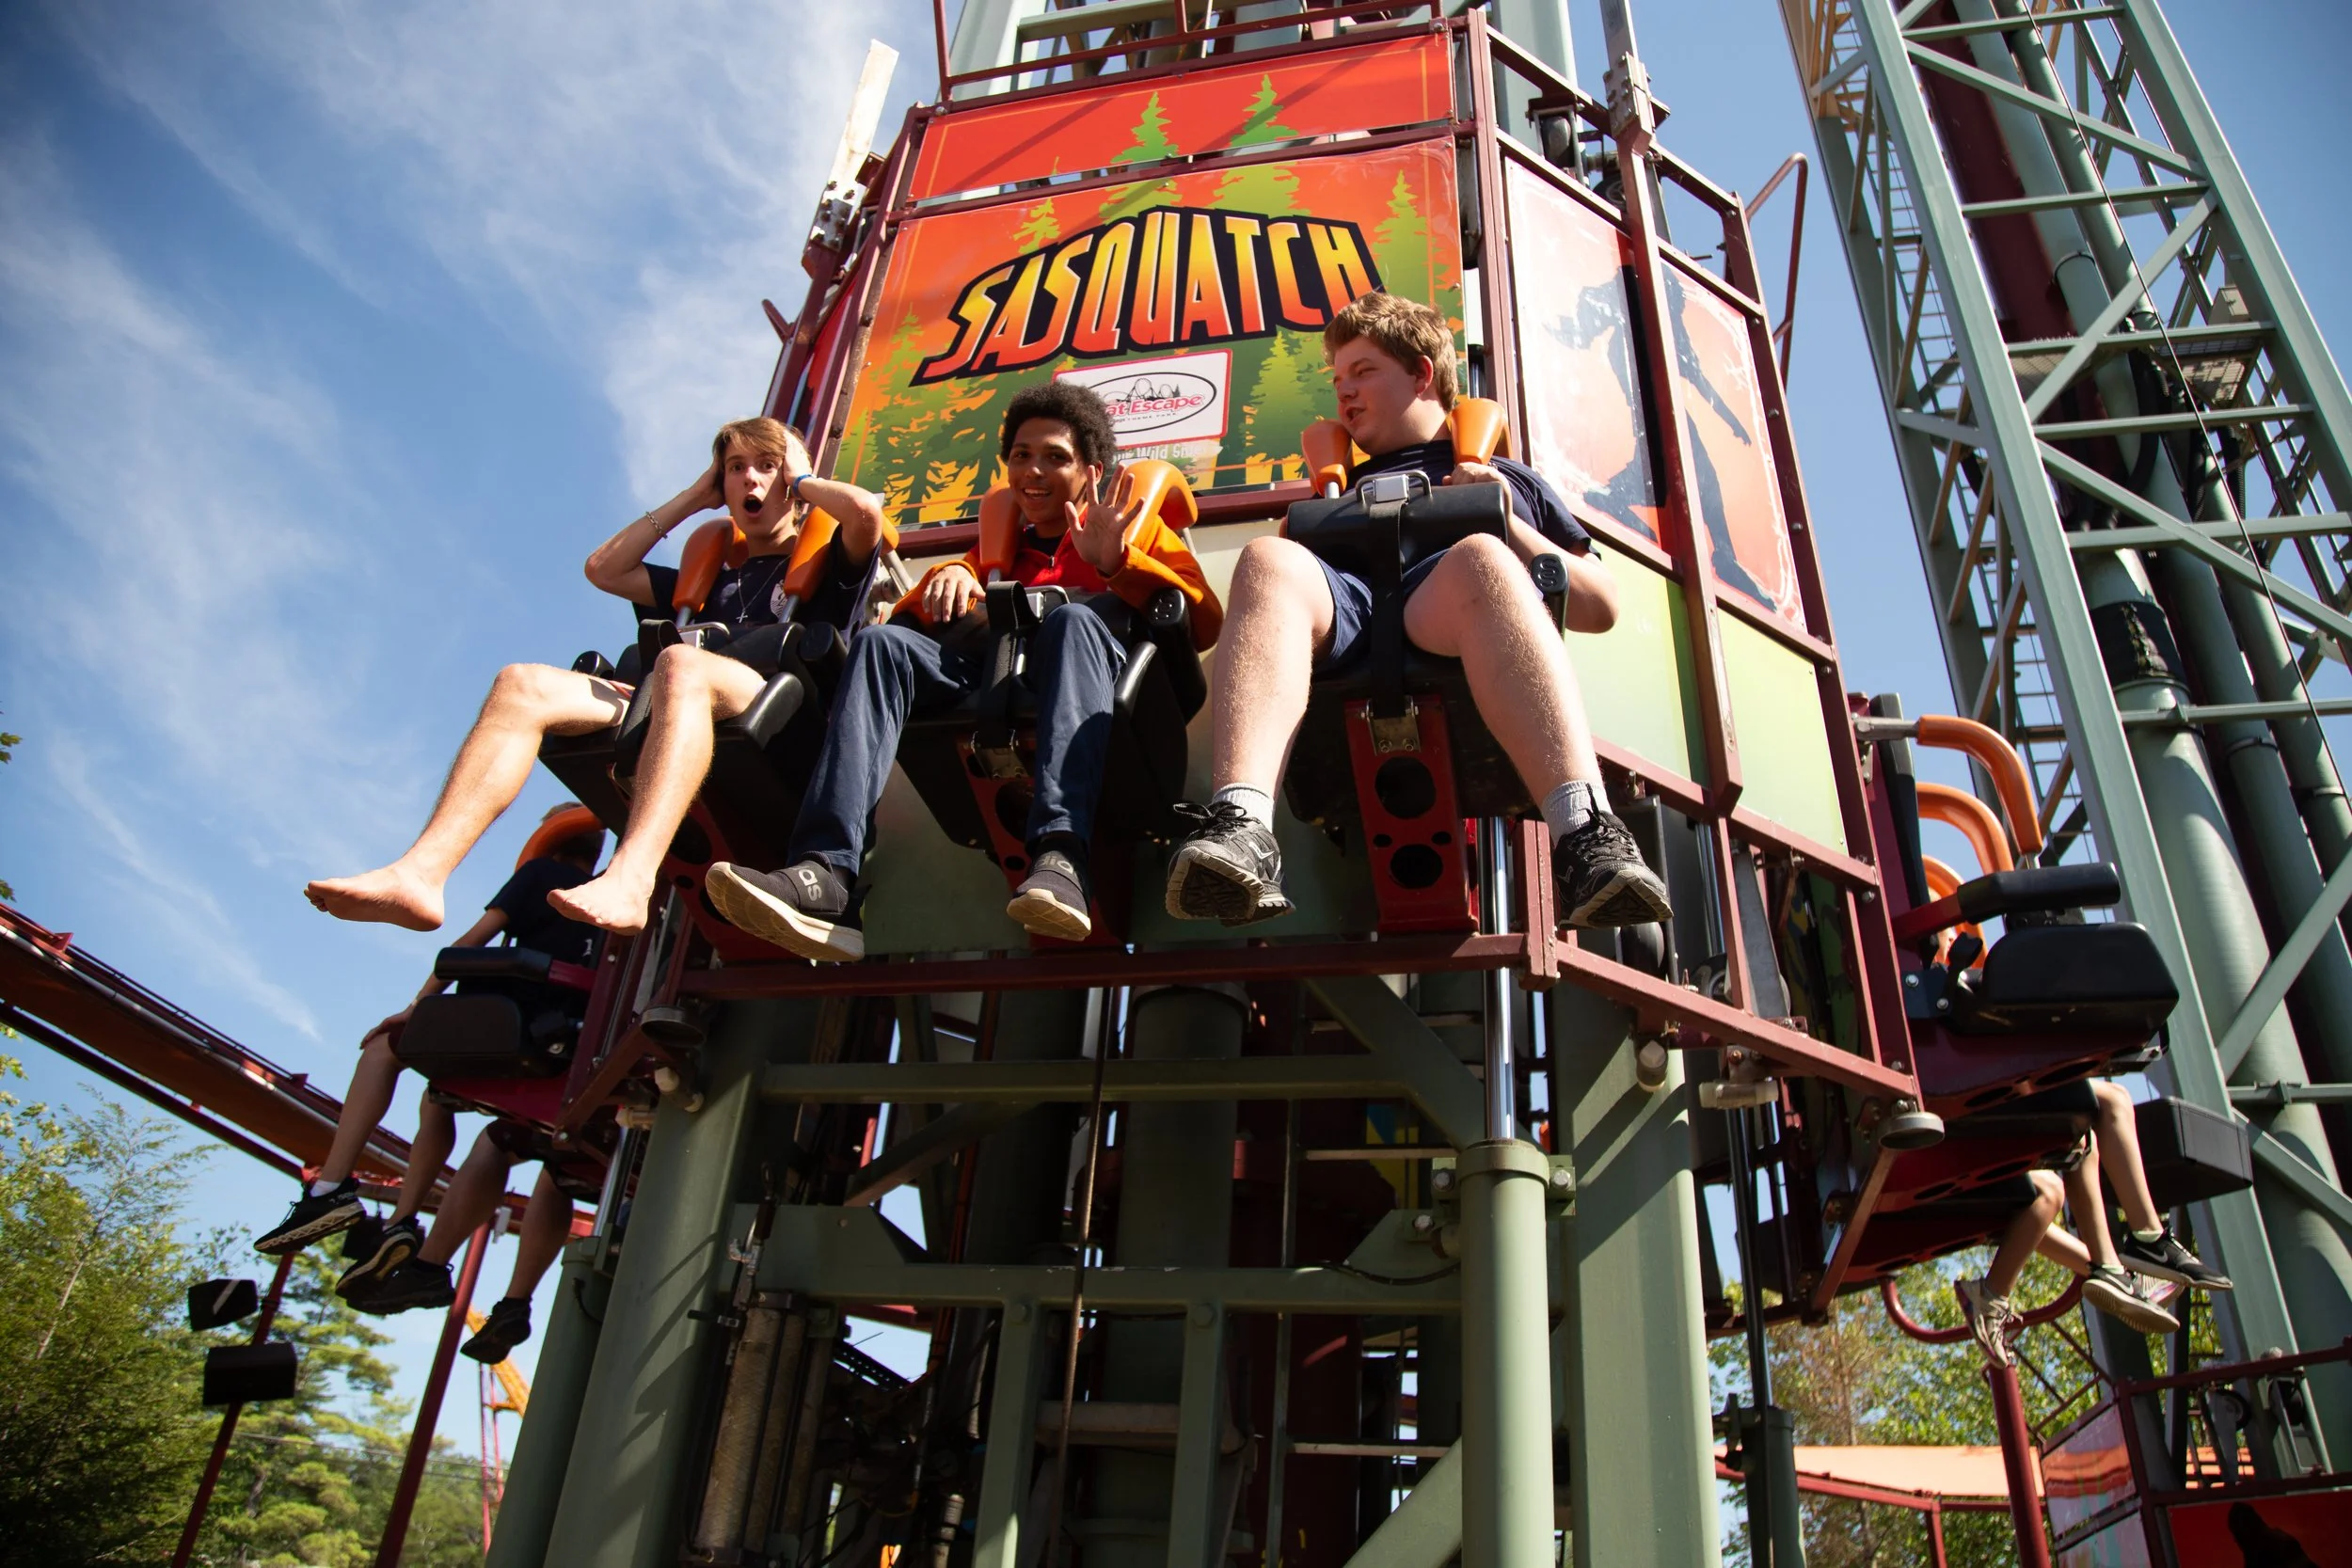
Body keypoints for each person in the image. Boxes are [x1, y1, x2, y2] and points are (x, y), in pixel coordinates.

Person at [1156, 292, 1671, 930]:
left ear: (1422, 373)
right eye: (1337, 380)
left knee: (1481, 556)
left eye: (1363, 371)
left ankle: (1586, 833)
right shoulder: (1331, 491)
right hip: (1351, 626)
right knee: (1266, 557)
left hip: (1448, 617)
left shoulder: (1510, 479)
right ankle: (1241, 826)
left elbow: (1602, 605)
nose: (1344, 392)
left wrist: (1505, 519)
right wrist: (1307, 526)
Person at [303, 417, 888, 939]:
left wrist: (802, 478)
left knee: (679, 664)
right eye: (736, 468)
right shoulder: (710, 576)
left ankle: (630, 879)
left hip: (782, 715)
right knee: (521, 683)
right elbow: (604, 568)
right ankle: (419, 875)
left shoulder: (831, 557)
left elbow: (866, 514)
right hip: (677, 693)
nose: (750, 479)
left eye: (765, 465)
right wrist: (695, 497)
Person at [701, 382, 1220, 958]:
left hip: (1109, 702)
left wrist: (1119, 564)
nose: (1033, 471)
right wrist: (951, 576)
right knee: (880, 644)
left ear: (1091, 471)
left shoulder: (1130, 532)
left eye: (1055, 457)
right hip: (998, 680)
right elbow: (909, 618)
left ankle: (1062, 857)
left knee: (1072, 620)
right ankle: (827, 871)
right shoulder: (996, 553)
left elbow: (1201, 621)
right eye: (1021, 455)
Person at [254, 805, 604, 1272]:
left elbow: (471, 942)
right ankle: (401, 1223)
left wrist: (416, 1006)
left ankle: (330, 1187)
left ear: (552, 840)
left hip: (514, 1026)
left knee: (383, 1049)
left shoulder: (542, 874)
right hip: (571, 1038)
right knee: (439, 1094)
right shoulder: (609, 896)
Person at [342, 1119, 605, 1367]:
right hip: (618, 1144)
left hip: (607, 1128)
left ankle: (428, 1267)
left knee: (497, 1139)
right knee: (557, 1166)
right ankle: (513, 1303)